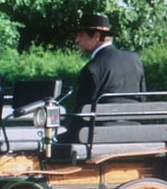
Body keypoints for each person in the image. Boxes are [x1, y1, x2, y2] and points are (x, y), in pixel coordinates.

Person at [61, 12, 146, 140]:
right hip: (133, 134)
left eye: (81, 35)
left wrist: (62, 140)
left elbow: (82, 115)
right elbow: (143, 100)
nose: (77, 40)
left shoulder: (92, 68)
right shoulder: (134, 59)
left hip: (99, 138)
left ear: (96, 36)